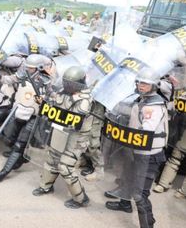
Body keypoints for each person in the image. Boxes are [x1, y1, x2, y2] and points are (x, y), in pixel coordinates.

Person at [104, 67, 168, 228]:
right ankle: (125, 204)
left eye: (145, 84)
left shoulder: (153, 107)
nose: (141, 85)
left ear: (154, 86)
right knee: (127, 178)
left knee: (140, 195)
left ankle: (148, 225)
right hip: (136, 150)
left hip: (148, 155)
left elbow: (146, 129)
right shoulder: (142, 100)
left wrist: (126, 132)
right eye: (139, 82)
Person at [33, 66, 93, 209]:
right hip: (60, 131)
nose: (66, 85)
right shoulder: (64, 91)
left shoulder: (86, 99)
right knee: (52, 159)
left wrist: (65, 100)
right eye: (65, 82)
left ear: (79, 84)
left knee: (65, 167)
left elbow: (75, 116)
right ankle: (46, 186)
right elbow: (56, 103)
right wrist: (43, 103)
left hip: (77, 137)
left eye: (70, 84)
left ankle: (80, 198)